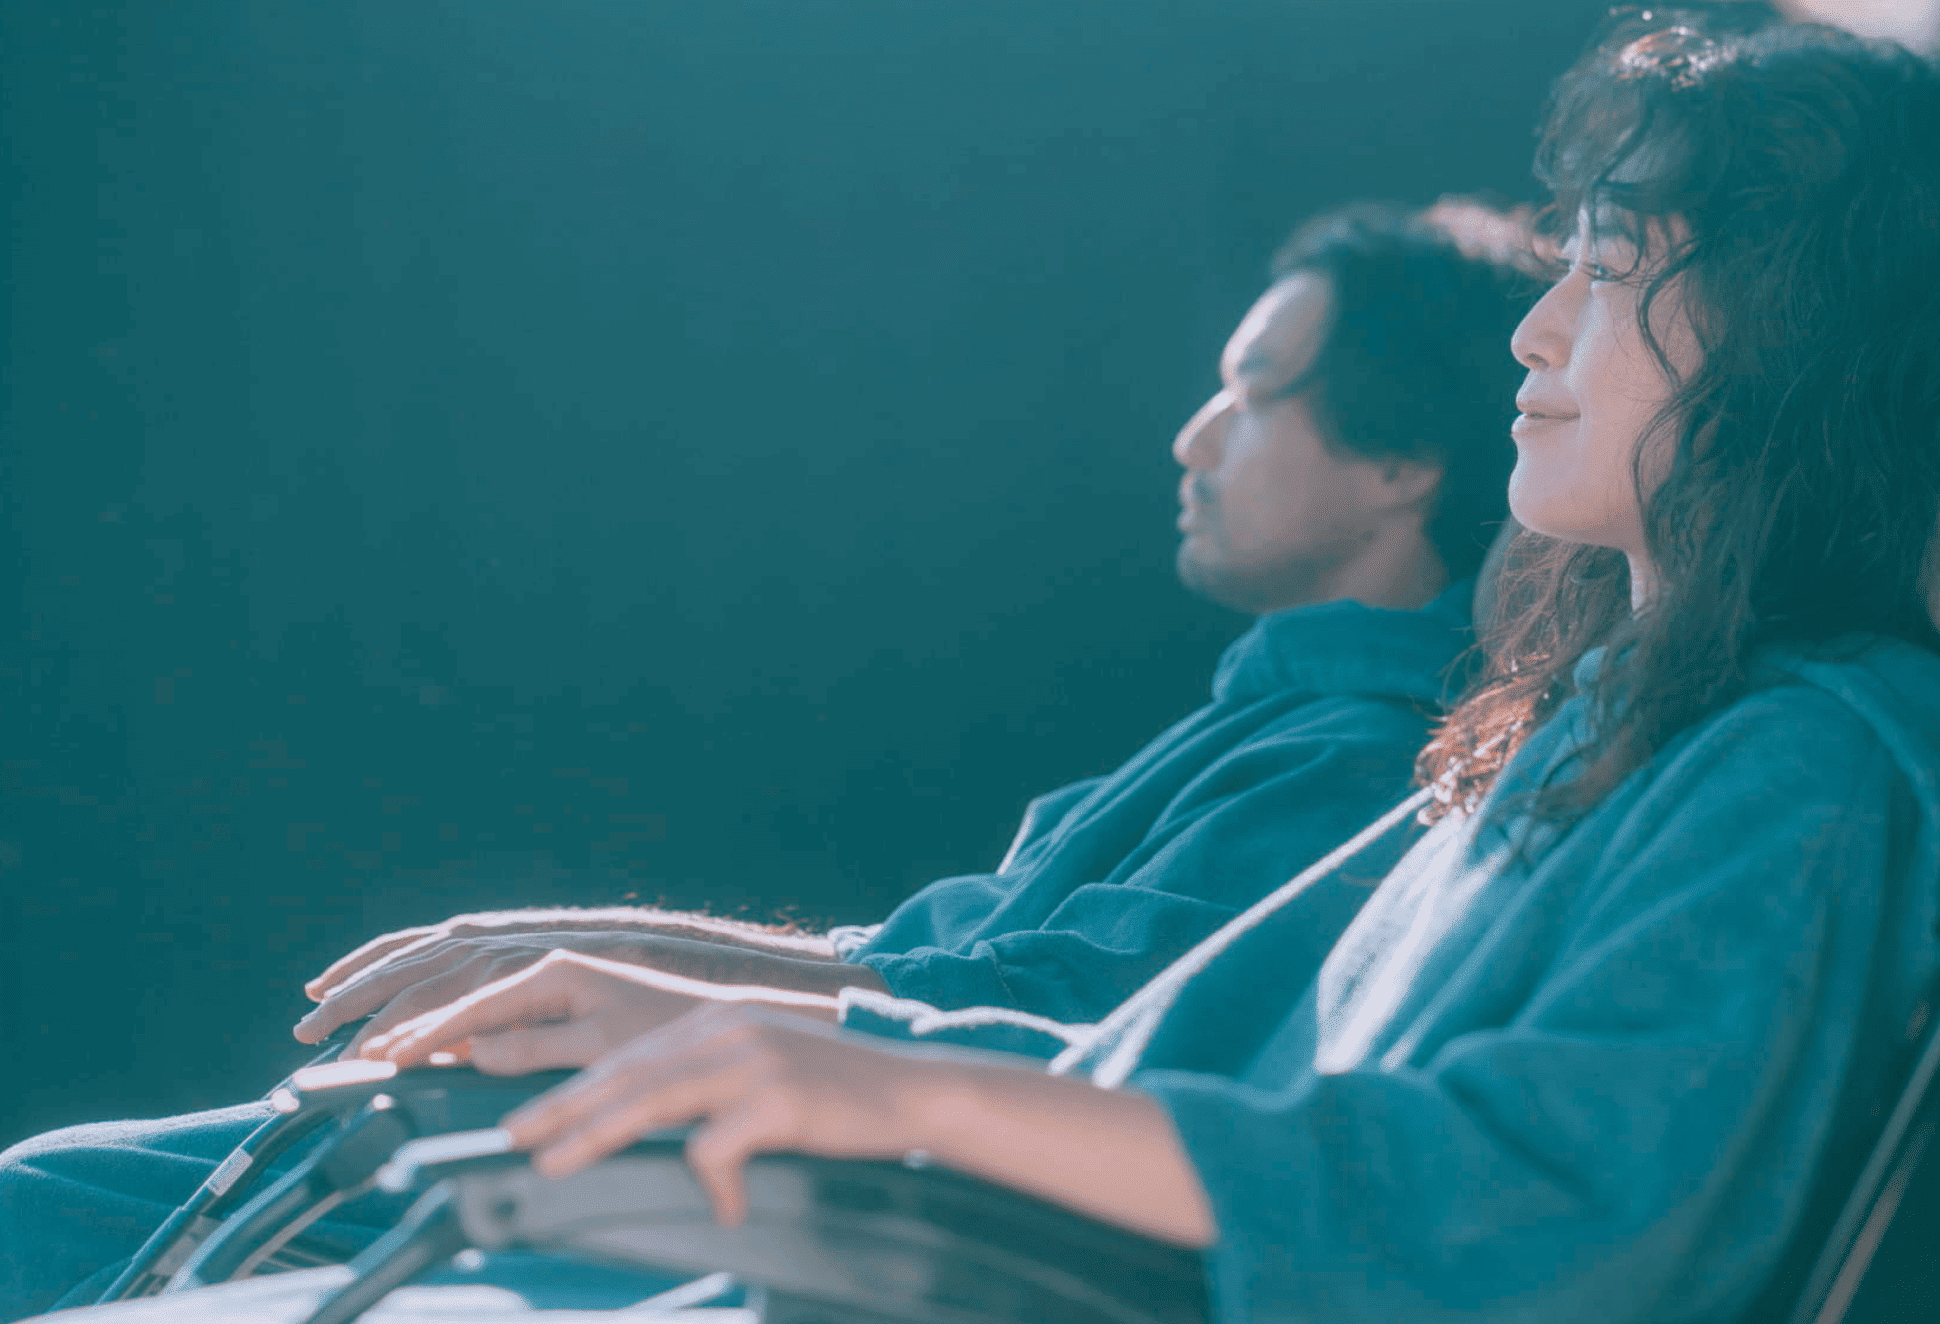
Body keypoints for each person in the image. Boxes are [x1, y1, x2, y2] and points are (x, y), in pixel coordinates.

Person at [306, 17, 1940, 1323]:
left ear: (1798, 334)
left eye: (1611, 273)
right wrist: (770, 1028)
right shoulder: (1593, 717)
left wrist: (894, 1084)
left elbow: (1539, 1201)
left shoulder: (1812, 763)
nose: (1539, 330)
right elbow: (1185, 1053)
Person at [0, 202, 1543, 1320]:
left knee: (47, 1209)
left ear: (1403, 461)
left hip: (834, 1202)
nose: (1194, 437)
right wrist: (607, 947)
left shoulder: (1360, 761)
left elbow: (1063, 1023)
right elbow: (955, 965)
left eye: (1254, 390)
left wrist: (655, 978)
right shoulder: (1270, 720)